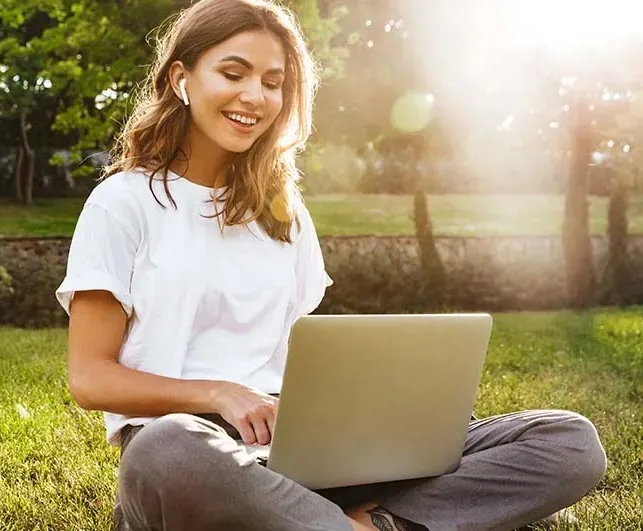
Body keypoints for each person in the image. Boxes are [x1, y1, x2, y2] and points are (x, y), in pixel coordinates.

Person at [54, 1, 608, 529]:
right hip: (200, 454)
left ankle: (366, 522)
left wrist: (369, 417)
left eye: (273, 83)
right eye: (233, 73)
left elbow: (300, 354)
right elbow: (91, 378)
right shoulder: (124, 203)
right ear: (181, 79)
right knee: (164, 452)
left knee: (567, 440)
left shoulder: (283, 213)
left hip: (300, 448)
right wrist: (217, 392)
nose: (255, 96)